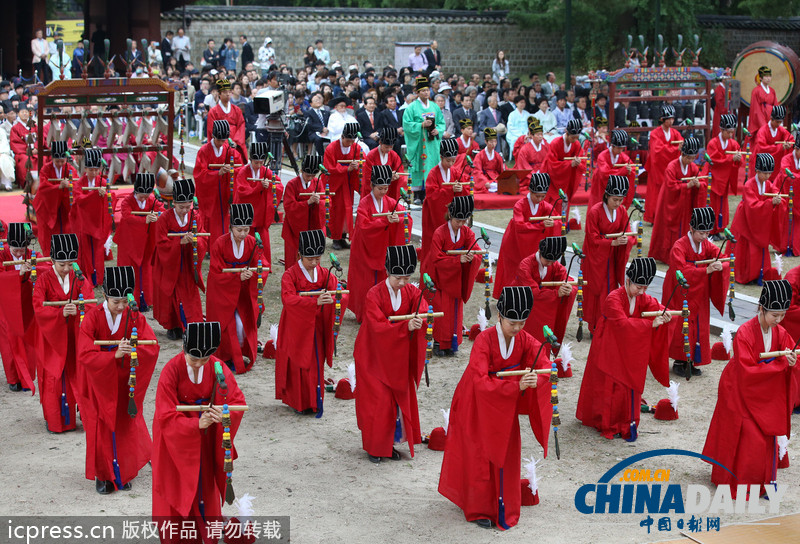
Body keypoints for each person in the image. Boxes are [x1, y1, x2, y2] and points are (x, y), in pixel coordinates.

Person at [438, 286, 553, 530]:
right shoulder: (484, 340)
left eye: (522, 322)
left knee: (506, 450)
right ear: (499, 316)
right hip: (476, 402)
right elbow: (480, 381)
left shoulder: (524, 339)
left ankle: (503, 501)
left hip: (504, 404)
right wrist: (515, 387)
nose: (518, 328)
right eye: (513, 322)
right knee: (480, 452)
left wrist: (536, 379)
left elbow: (543, 364)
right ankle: (479, 506)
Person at [703, 280, 798, 499]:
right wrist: (781, 364)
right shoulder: (745, 333)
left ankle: (763, 481)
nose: (779, 320)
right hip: (738, 387)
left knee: (765, 433)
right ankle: (738, 480)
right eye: (775, 315)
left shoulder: (780, 333)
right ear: (762, 308)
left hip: (763, 391)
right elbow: (748, 370)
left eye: (782, 315)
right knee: (748, 433)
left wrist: (791, 362)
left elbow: (791, 355)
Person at [152, 321, 246, 538]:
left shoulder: (217, 368)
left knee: (205, 482)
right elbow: (165, 415)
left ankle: (207, 530)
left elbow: (236, 401)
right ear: (184, 349)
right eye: (194, 359)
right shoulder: (171, 370)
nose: (198, 364)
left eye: (204, 360)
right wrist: (195, 424)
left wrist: (222, 415)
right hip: (178, 440)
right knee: (177, 484)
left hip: (207, 435)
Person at [76, 266, 158, 494]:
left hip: (124, 380)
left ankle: (126, 470)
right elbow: (84, 353)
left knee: (124, 424)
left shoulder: (134, 316)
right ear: (104, 296)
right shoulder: (92, 317)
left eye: (125, 300)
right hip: (98, 380)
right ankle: (102, 475)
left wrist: (133, 351)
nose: (121, 306)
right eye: (115, 302)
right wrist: (113, 355)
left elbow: (151, 346)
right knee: (100, 426)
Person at [576, 257, 674, 440]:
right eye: (638, 287)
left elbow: (654, 305)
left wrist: (664, 312)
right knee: (611, 385)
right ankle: (607, 421)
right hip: (610, 346)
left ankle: (627, 421)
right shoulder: (613, 298)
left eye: (645, 288)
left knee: (628, 386)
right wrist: (650, 325)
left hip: (628, 347)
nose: (641, 292)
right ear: (627, 280)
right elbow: (622, 324)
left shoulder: (641, 297)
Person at [354, 245, 427, 462]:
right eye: (398, 277)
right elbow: (378, 327)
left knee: (395, 404)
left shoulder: (411, 291)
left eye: (407, 277)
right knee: (377, 402)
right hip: (373, 355)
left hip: (396, 356)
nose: (403, 282)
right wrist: (405, 327)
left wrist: (418, 318)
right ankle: (374, 447)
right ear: (387, 271)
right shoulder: (373, 295)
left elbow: (421, 306)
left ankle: (390, 445)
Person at [32, 234, 96, 433]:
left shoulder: (79, 278)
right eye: (62, 264)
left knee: (78, 373)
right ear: (52, 261)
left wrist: (80, 311)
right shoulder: (44, 280)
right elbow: (38, 307)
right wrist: (59, 313)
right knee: (54, 376)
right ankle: (57, 420)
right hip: (52, 336)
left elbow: (90, 301)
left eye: (70, 264)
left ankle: (83, 413)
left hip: (75, 335)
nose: (67, 268)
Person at [276, 230, 341, 415]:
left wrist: (333, 299)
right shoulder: (290, 274)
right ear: (300, 255)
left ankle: (314, 399)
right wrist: (314, 302)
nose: (314, 263)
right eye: (309, 259)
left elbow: (336, 290)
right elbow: (288, 299)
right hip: (296, 324)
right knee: (299, 361)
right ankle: (299, 401)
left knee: (316, 362)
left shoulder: (323, 273)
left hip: (317, 325)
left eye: (317, 259)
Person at [663, 207, 731, 377]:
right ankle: (680, 360)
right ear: (691, 228)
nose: (704, 236)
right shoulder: (679, 246)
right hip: (681, 290)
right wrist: (705, 271)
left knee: (699, 325)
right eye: (701, 232)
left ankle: (693, 359)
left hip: (699, 291)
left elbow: (721, 256)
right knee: (682, 323)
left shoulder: (706, 244)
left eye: (707, 233)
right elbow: (680, 271)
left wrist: (720, 264)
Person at [206, 204, 263, 374]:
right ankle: (227, 356)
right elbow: (216, 272)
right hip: (223, 291)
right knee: (227, 324)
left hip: (244, 290)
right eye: (239, 230)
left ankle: (242, 351)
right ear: (231, 227)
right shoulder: (220, 243)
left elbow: (261, 265)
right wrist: (236, 277)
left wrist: (252, 275)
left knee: (243, 323)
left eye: (246, 229)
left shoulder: (252, 242)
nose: (243, 234)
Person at [348, 165, 409, 322]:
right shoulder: (364, 203)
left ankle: (381, 311)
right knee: (365, 282)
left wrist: (398, 220)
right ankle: (365, 312)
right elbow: (363, 225)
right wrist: (384, 221)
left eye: (386, 188)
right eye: (380, 188)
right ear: (372, 186)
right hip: (365, 248)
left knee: (383, 280)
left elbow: (405, 217)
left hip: (383, 248)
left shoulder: (390, 202)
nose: (383, 192)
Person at [423, 195, 481, 356]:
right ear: (450, 215)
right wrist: (458, 260)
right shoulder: (439, 233)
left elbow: (475, 250)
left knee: (455, 311)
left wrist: (471, 257)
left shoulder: (467, 232)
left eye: (464, 221)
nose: (461, 224)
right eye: (458, 221)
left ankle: (451, 342)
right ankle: (438, 342)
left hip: (456, 278)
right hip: (440, 277)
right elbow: (436, 258)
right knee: (441, 310)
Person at [152, 179, 208, 340]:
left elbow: (203, 236)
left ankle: (190, 325)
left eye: (187, 206)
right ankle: (174, 325)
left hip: (188, 263)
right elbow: (161, 243)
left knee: (189, 296)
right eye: (181, 207)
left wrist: (196, 241)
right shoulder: (164, 218)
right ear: (173, 203)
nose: (185, 210)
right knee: (171, 295)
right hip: (169, 263)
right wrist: (179, 242)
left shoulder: (195, 217)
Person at [581, 176, 636, 333]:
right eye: (615, 199)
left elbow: (627, 232)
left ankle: (608, 321)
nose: (618, 203)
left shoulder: (622, 211)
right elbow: (592, 237)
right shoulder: (595, 212)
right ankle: (595, 324)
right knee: (596, 289)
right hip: (596, 256)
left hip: (612, 257)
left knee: (611, 288)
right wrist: (610, 242)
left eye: (620, 200)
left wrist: (626, 239)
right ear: (606, 195)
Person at [493, 173, 560, 297]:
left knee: (531, 269)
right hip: (514, 242)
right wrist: (541, 225)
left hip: (532, 243)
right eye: (537, 196)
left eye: (543, 196)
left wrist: (553, 223)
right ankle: (511, 298)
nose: (540, 199)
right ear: (530, 191)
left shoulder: (545, 206)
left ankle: (531, 295)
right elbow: (520, 226)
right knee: (513, 271)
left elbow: (557, 220)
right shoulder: (520, 205)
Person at [731, 153, 787, 284]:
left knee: (760, 249)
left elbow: (775, 193)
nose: (767, 176)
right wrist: (770, 203)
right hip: (747, 218)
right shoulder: (749, 185)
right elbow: (752, 205)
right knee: (748, 247)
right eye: (764, 173)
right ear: (757, 171)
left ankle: (760, 273)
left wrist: (778, 200)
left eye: (769, 173)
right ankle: (747, 276)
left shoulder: (768, 184)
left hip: (760, 220)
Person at [649, 138, 707, 264]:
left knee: (685, 226)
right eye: (688, 158)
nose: (691, 161)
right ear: (682, 154)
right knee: (669, 229)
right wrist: (686, 185)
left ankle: (682, 252)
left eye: (693, 158)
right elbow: (670, 186)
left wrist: (698, 185)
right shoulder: (672, 166)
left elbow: (702, 181)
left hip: (685, 204)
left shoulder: (692, 167)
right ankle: (667, 255)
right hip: (671, 202)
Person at [514, 236, 577, 347]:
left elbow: (567, 279)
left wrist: (569, 288)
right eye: (547, 260)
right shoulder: (525, 265)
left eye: (552, 261)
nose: (549, 264)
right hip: (524, 306)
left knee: (543, 339)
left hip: (544, 307)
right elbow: (531, 291)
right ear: (539, 251)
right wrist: (556, 293)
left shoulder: (554, 265)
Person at [115, 173, 164, 311]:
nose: (144, 198)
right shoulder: (128, 201)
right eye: (141, 195)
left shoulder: (152, 200)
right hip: (128, 240)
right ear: (135, 191)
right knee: (129, 268)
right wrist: (144, 220)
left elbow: (161, 210)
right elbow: (126, 215)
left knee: (146, 268)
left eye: (146, 195)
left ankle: (146, 299)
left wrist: (157, 216)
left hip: (146, 240)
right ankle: (129, 298)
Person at [0, 222, 38, 392]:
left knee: (28, 337)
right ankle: (13, 377)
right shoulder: (2, 254)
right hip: (6, 302)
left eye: (22, 249)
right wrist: (18, 274)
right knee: (8, 339)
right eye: (15, 250)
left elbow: (42, 270)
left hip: (26, 302)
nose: (19, 253)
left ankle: (27, 376)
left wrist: (31, 272)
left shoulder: (31, 254)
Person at [194, 120, 245, 242]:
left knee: (221, 218)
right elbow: (199, 173)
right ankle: (206, 246)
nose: (221, 143)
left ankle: (219, 244)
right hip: (209, 192)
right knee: (207, 217)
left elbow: (239, 166)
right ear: (213, 136)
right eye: (219, 140)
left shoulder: (228, 149)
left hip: (222, 190)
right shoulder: (204, 151)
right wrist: (217, 173)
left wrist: (230, 170)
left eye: (224, 140)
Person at [233, 141, 282, 268]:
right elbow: (241, 191)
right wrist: (258, 187)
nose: (259, 165)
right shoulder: (243, 172)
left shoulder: (266, 171)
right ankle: (247, 263)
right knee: (247, 238)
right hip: (247, 210)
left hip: (260, 212)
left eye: (261, 162)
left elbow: (279, 185)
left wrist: (270, 185)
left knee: (263, 238)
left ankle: (264, 264)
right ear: (250, 160)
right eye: (256, 163)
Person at [70, 148, 113, 287]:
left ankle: (98, 277)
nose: (94, 173)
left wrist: (104, 196)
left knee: (98, 250)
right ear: (85, 169)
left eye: (96, 170)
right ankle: (86, 275)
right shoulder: (79, 183)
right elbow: (79, 199)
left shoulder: (102, 181)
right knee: (85, 250)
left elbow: (110, 200)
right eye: (91, 169)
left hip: (97, 221)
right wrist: (95, 195)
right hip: (83, 220)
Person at [420, 138, 468, 257]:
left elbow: (465, 189)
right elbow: (431, 195)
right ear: (441, 157)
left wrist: (460, 190)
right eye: (448, 160)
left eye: (453, 160)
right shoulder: (433, 173)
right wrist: (450, 190)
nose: (451, 164)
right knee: (434, 239)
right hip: (434, 213)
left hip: (452, 213)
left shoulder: (456, 172)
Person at [403, 76, 445, 203]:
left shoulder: (434, 107)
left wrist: (438, 130)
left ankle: (429, 191)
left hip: (431, 142)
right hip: (418, 142)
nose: (426, 93)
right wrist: (420, 125)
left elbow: (441, 122)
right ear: (417, 93)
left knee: (431, 165)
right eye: (423, 91)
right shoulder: (411, 108)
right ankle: (417, 194)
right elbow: (407, 124)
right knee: (418, 166)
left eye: (427, 90)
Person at [33, 141, 78, 257]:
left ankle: (65, 254)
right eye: (57, 161)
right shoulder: (46, 169)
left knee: (67, 230)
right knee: (48, 234)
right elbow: (43, 187)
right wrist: (58, 187)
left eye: (62, 161)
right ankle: (50, 256)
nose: (59, 163)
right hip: (48, 205)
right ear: (52, 158)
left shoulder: (70, 168)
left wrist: (69, 186)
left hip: (64, 205)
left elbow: (77, 184)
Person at [323, 121, 362, 250]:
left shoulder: (356, 147)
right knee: (336, 210)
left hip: (348, 183)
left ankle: (343, 237)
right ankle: (335, 238)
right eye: (348, 141)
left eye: (352, 141)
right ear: (342, 137)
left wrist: (358, 166)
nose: (350, 144)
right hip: (336, 184)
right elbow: (329, 167)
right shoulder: (331, 148)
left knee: (347, 210)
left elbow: (363, 161)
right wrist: (345, 169)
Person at [281, 155, 326, 267]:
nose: (310, 178)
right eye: (307, 175)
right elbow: (289, 206)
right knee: (294, 255)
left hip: (312, 224)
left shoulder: (318, 182)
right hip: (295, 226)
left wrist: (319, 202)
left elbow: (325, 201)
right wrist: (307, 203)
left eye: (313, 175)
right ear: (301, 171)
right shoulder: (292, 184)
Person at [705, 114, 743, 235]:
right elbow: (714, 159)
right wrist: (731, 158)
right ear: (721, 130)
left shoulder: (733, 144)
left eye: (732, 132)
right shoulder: (713, 143)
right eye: (729, 132)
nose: (731, 135)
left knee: (722, 204)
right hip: (714, 177)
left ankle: (720, 228)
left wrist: (738, 158)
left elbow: (739, 159)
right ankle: (711, 230)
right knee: (713, 204)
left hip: (724, 178)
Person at [644, 106, 682, 223]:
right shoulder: (655, 133)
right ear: (662, 119)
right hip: (657, 167)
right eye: (668, 119)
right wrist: (675, 148)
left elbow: (681, 144)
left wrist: (679, 147)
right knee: (656, 192)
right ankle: (654, 216)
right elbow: (657, 151)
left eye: (672, 119)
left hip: (669, 166)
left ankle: (668, 215)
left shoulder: (675, 133)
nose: (671, 121)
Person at [543, 119, 586, 213]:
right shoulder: (555, 143)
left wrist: (578, 162)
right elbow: (552, 164)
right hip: (552, 175)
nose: (575, 140)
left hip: (566, 177)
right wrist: (569, 164)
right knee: (552, 200)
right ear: (567, 133)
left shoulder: (576, 144)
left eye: (577, 137)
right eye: (573, 137)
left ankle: (563, 224)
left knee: (565, 199)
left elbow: (581, 159)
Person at [587, 129, 635, 210]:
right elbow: (605, 174)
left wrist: (630, 170)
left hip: (614, 187)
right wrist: (623, 171)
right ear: (612, 146)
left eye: (622, 148)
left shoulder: (623, 156)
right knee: (598, 207)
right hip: (601, 185)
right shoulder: (602, 156)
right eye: (619, 148)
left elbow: (632, 167)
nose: (621, 151)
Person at [749, 105, 792, 183]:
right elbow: (761, 147)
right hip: (762, 162)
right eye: (777, 121)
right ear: (771, 119)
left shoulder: (781, 130)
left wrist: (787, 143)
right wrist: (780, 147)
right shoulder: (763, 131)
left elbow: (789, 137)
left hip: (775, 164)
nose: (779, 124)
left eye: (780, 122)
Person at [206, 80, 247, 159]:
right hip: (220, 142)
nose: (228, 94)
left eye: (229, 92)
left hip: (235, 143)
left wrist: (236, 141)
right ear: (219, 94)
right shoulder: (213, 112)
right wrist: (223, 143)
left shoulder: (237, 110)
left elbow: (241, 125)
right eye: (225, 92)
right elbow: (212, 130)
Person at [360, 127, 405, 199]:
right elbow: (368, 176)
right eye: (386, 147)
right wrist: (387, 176)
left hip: (389, 189)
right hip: (374, 190)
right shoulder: (372, 155)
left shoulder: (394, 155)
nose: (389, 149)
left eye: (391, 147)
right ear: (380, 143)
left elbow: (400, 171)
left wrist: (397, 176)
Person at [473, 128, 505, 193]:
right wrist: (485, 181)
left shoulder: (497, 156)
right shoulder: (479, 156)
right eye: (491, 141)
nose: (493, 144)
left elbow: (501, 170)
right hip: (484, 178)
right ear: (486, 141)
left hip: (495, 179)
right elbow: (477, 171)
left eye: (495, 141)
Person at [748, 66, 778, 134]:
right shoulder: (756, 91)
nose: (768, 78)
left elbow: (776, 105)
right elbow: (756, 109)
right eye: (766, 76)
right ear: (760, 78)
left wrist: (776, 120)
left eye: (769, 76)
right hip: (760, 117)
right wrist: (763, 124)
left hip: (771, 117)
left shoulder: (772, 91)